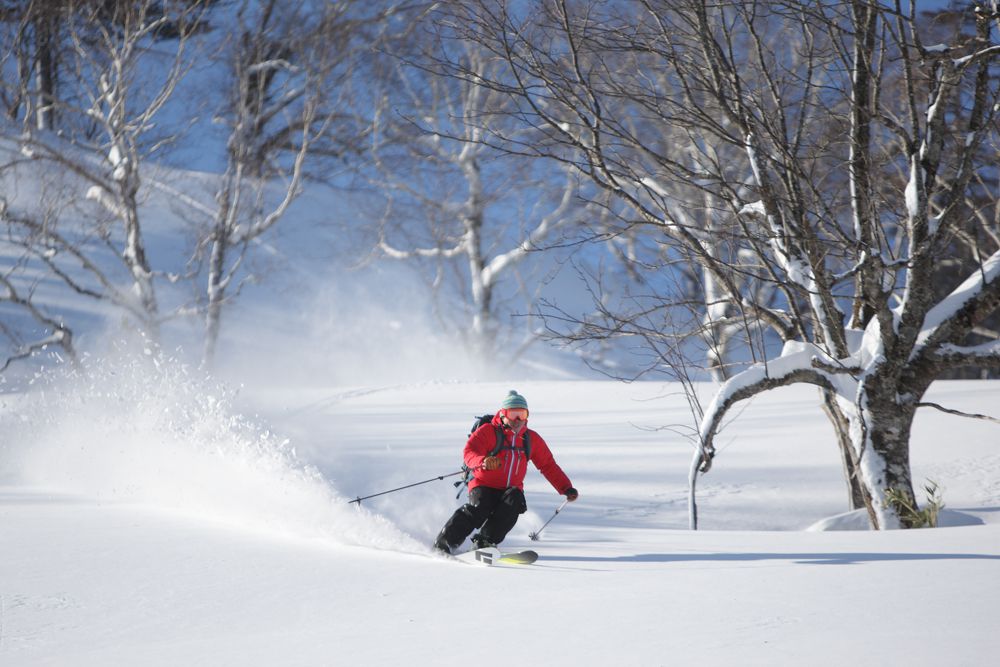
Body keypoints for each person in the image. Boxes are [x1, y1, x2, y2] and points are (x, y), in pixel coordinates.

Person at [434, 389, 578, 554]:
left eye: (522, 414)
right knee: (479, 508)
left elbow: (548, 465)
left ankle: (485, 543)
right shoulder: (488, 431)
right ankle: (444, 544)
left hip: (510, 489)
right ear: (503, 414)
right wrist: (483, 461)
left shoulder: (531, 439)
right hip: (483, 484)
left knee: (515, 503)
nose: (518, 420)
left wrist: (566, 487)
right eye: (513, 414)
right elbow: (470, 452)